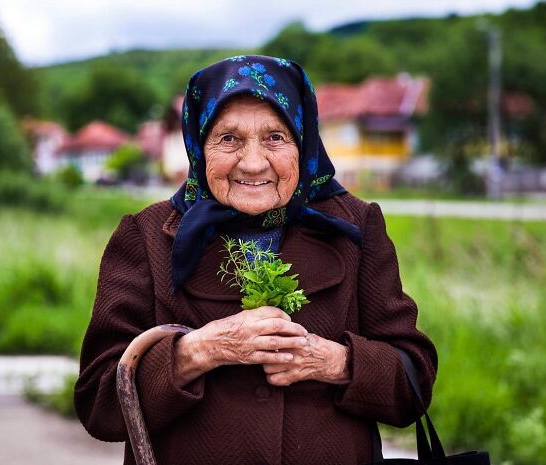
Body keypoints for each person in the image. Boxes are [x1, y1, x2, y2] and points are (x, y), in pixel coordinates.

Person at [74, 55, 437, 465]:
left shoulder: (356, 226)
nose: (252, 162)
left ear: (304, 141)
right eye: (228, 138)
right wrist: (202, 350)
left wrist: (335, 361)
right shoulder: (146, 236)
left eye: (275, 138)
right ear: (198, 143)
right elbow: (99, 402)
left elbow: (414, 382)